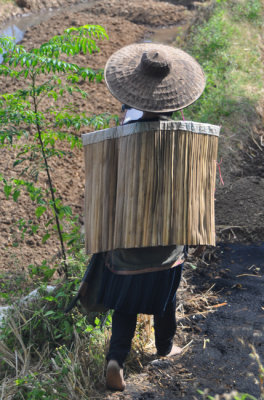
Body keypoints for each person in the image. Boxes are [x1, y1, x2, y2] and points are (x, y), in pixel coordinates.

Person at [99, 43, 206, 391]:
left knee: (124, 305)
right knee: (166, 297)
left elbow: (105, 194)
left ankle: (116, 359)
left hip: (126, 242)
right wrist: (197, 235)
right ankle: (163, 347)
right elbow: (193, 194)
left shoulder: (117, 139)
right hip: (166, 244)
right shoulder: (185, 140)